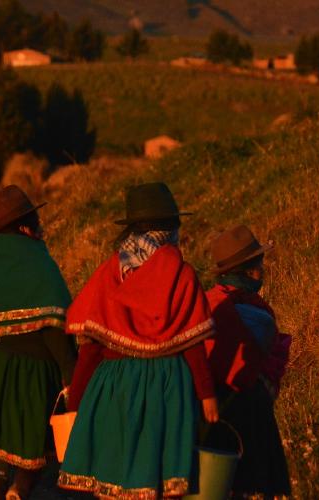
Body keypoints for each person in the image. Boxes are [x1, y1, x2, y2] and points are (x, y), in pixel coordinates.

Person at [57, 182, 218, 498]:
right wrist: (207, 393)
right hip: (167, 387)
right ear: (172, 227)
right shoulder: (181, 273)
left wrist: (75, 402)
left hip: (114, 386)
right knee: (156, 476)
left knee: (113, 476)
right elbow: (193, 345)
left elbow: (91, 348)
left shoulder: (110, 273)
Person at [0, 185, 76, 500]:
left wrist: (1, 355)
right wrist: (70, 373)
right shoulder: (39, 263)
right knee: (35, 444)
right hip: (37, 372)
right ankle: (20, 488)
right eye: (35, 218)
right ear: (26, 226)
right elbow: (54, 326)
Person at [205, 225, 292, 499]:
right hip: (247, 404)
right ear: (249, 270)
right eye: (259, 263)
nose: (262, 269)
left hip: (209, 409)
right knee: (252, 479)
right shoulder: (255, 314)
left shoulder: (208, 302)